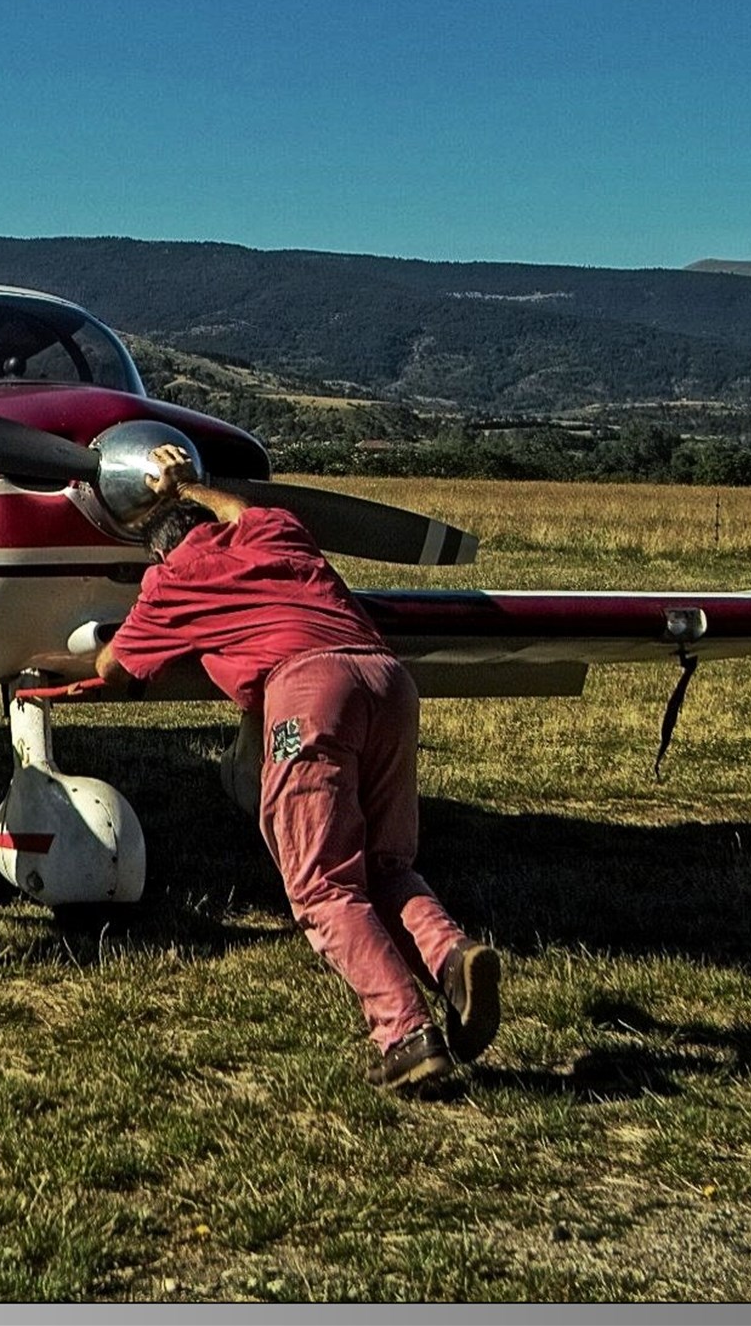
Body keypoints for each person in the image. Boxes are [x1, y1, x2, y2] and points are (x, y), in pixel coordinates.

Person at [95, 445, 500, 1096]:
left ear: (160, 553)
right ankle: (452, 957)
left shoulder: (172, 581)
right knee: (385, 865)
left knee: (322, 885)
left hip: (311, 695)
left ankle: (406, 1036)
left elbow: (113, 668)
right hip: (387, 679)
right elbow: (240, 508)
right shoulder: (271, 529)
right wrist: (190, 483)